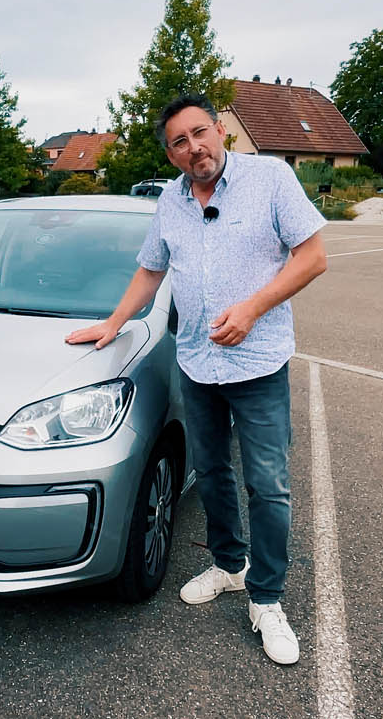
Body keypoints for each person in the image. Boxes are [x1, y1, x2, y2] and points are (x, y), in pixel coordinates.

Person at [65, 93, 327, 665]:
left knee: (268, 484)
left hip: (258, 362)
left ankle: (267, 598)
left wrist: (253, 308)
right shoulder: (171, 200)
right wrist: (113, 323)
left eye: (200, 133)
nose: (194, 148)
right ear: (171, 154)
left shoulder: (270, 179)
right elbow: (151, 269)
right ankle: (230, 566)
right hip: (198, 364)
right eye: (179, 142)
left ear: (220, 131)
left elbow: (312, 257)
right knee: (209, 472)